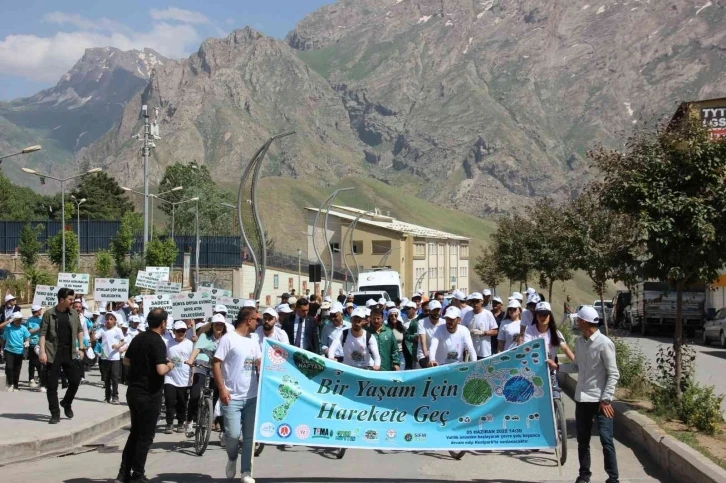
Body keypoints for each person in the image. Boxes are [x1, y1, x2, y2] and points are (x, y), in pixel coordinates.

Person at [558, 306, 620, 483]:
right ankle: (584, 476)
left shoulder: (604, 343)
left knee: (606, 440)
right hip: (582, 399)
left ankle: (613, 479)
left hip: (601, 402)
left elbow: (613, 373)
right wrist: (558, 367)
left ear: (584, 322)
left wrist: (606, 399)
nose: (576, 322)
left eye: (578, 320)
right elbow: (577, 366)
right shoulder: (579, 342)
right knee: (582, 441)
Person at [115, 308, 174, 483]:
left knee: (135, 433)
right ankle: (137, 475)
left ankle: (123, 473)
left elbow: (126, 360)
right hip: (149, 394)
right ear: (163, 323)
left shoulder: (138, 338)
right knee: (145, 437)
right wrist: (171, 365)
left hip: (133, 391)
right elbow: (161, 369)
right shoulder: (158, 342)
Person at [213, 307, 261, 483]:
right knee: (232, 435)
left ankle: (246, 472)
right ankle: (232, 458)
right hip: (231, 396)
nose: (259, 322)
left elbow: (259, 362)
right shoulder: (228, 339)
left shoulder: (253, 341)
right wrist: (222, 388)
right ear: (248, 321)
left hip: (252, 396)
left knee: (249, 436)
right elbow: (216, 363)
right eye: (257, 319)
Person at [40, 288, 86, 424]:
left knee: (75, 380)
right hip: (53, 353)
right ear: (61, 300)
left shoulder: (73, 313)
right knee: (52, 385)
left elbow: (80, 330)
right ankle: (55, 413)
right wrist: (42, 352)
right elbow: (42, 334)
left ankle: (66, 402)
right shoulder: (49, 314)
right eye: (70, 299)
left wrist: (81, 347)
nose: (73, 302)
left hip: (69, 352)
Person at [185, 313, 228, 438]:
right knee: (195, 394)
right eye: (216, 324)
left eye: (221, 324)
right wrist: (191, 360)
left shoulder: (226, 338)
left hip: (217, 369)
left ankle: (222, 430)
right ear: (212, 325)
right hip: (202, 366)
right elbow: (197, 349)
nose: (219, 326)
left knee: (219, 399)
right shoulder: (205, 336)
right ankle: (189, 421)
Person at [164, 320, 193, 434]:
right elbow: (164, 357)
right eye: (178, 331)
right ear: (174, 331)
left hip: (185, 379)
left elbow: (193, 361)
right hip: (170, 377)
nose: (181, 333)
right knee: (170, 401)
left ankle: (181, 422)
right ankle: (169, 423)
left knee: (182, 402)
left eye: (183, 331)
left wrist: (192, 376)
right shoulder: (168, 343)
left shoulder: (190, 344)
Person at [462, 293, 498, 359]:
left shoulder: (488, 314)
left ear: (482, 301)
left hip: (484, 351)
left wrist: (483, 332)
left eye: (477, 301)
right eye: (473, 301)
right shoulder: (468, 314)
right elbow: (462, 331)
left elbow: (495, 331)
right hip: (471, 350)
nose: (475, 304)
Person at [100, 312, 125, 404]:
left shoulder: (117, 330)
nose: (109, 321)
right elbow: (94, 337)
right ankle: (107, 396)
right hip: (105, 357)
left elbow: (123, 341)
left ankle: (115, 396)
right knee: (106, 378)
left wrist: (117, 345)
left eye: (111, 319)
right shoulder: (102, 330)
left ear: (115, 320)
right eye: (107, 319)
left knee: (114, 378)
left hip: (114, 357)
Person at [3, 312, 30, 391]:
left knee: (17, 369)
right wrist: (9, 321)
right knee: (9, 367)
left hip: (19, 351)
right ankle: (10, 384)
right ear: (13, 320)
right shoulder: (9, 327)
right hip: (9, 350)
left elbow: (27, 336)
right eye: (17, 320)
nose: (19, 321)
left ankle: (16, 385)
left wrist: (27, 341)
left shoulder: (23, 328)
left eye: (20, 320)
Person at [416, 300, 443, 368]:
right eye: (434, 310)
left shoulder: (444, 323)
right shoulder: (422, 322)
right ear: (430, 311)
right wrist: (426, 354)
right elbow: (423, 340)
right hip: (424, 355)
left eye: (438, 310)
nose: (437, 312)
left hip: (439, 355)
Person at [25, 305, 43, 390]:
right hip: (33, 343)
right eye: (40, 310)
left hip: (41, 343)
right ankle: (31, 379)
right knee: (33, 362)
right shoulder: (30, 320)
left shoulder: (42, 319)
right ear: (37, 311)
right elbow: (29, 331)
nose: (41, 311)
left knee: (41, 362)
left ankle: (41, 378)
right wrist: (39, 327)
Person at [0, 294, 21, 364]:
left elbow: (17, 318)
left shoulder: (17, 308)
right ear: (8, 301)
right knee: (2, 339)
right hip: (3, 325)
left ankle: (8, 355)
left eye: (15, 299)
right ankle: (2, 354)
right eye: (13, 300)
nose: (15, 301)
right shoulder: (2, 308)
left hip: (12, 326)